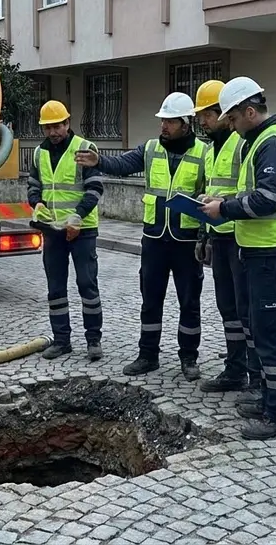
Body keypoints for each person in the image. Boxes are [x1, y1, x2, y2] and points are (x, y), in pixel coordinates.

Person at [199, 76, 276, 441]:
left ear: (249, 111)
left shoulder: (272, 143)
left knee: (272, 334)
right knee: (260, 328)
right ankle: (266, 398)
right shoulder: (259, 141)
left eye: (232, 118)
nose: (229, 124)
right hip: (262, 251)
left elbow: (266, 200)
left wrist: (223, 208)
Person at [75, 93, 208, 381]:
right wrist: (99, 162)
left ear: (186, 124)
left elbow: (208, 198)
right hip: (155, 239)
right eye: (163, 121)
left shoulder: (203, 154)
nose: (164, 126)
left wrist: (203, 238)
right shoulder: (150, 149)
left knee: (189, 302)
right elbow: (123, 164)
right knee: (150, 300)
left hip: (186, 242)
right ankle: (148, 355)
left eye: (170, 121)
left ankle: (189, 358)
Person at [192, 80, 261, 398]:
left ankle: (254, 372)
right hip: (219, 237)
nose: (202, 122)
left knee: (246, 310)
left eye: (206, 115)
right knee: (228, 308)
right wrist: (204, 234)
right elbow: (216, 190)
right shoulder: (209, 150)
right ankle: (235, 368)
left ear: (224, 113)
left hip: (240, 238)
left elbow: (249, 192)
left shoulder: (241, 144)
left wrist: (223, 205)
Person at [27, 100, 106, 361]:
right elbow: (33, 184)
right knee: (56, 287)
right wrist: (36, 202)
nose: (53, 132)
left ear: (67, 123)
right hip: (53, 230)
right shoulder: (39, 153)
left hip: (82, 230)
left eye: (57, 126)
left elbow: (95, 189)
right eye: (48, 127)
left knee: (87, 284)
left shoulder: (84, 148)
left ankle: (93, 339)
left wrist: (77, 216)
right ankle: (61, 340)